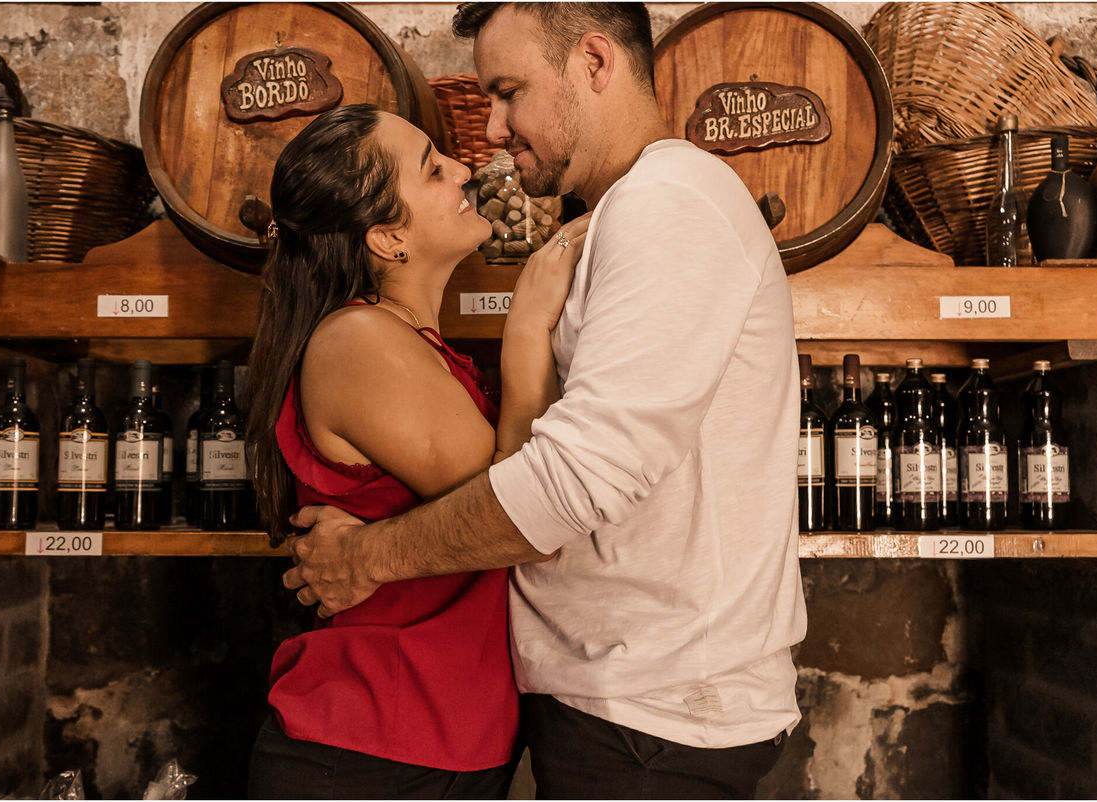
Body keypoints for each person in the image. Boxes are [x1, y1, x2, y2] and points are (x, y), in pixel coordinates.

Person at [283, 3, 808, 798]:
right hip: (612, 711)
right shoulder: (621, 215)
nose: (487, 134)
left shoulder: (668, 205)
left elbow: (572, 481)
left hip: (652, 719)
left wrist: (366, 556)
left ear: (594, 63)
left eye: (507, 92)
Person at [244, 102, 588, 799]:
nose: (464, 168)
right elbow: (522, 517)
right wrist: (526, 327)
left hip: (429, 737)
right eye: (433, 169)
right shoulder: (358, 342)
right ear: (387, 240)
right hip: (371, 742)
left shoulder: (411, 347)